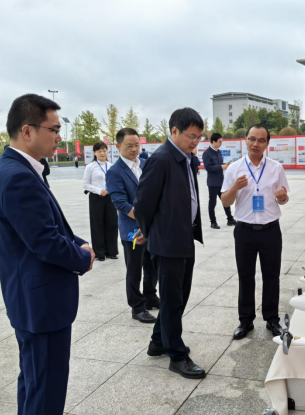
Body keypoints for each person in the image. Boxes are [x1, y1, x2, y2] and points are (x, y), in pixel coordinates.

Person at [0, 94, 95, 415]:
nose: (59, 137)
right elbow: (46, 242)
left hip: (33, 302)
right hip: (41, 307)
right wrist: (83, 258)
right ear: (27, 131)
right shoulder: (18, 176)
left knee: (35, 384)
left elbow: (46, 226)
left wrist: (78, 243)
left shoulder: (19, 168)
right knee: (45, 393)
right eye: (54, 129)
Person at [134, 108, 206, 379]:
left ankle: (158, 342)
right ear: (174, 131)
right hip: (168, 242)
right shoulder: (162, 159)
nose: (195, 142)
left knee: (179, 296)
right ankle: (177, 355)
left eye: (198, 137)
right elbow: (143, 202)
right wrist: (149, 231)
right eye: (191, 136)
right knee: (174, 300)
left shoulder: (186, 158)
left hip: (184, 237)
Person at [221, 124, 290, 341]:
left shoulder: (276, 168)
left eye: (261, 140)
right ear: (245, 140)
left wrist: (282, 198)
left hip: (270, 230)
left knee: (272, 275)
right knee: (245, 276)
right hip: (245, 231)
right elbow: (225, 201)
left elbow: (284, 198)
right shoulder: (235, 168)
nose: (255, 144)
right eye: (252, 139)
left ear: (267, 143)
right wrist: (235, 187)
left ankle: (272, 319)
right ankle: (245, 320)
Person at [106, 128, 158, 323]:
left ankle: (150, 296)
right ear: (118, 146)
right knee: (135, 269)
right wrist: (144, 221)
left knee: (152, 265)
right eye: (129, 146)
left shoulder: (145, 164)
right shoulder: (115, 172)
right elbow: (120, 203)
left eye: (137, 145)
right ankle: (137, 307)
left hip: (151, 227)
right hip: (132, 229)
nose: (134, 149)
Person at [83, 142, 119, 261]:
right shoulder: (90, 167)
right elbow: (86, 184)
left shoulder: (111, 166)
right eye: (99, 151)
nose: (102, 153)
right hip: (96, 197)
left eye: (104, 150)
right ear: (94, 153)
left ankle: (112, 251)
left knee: (112, 223)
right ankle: (100, 253)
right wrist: (99, 190)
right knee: (97, 224)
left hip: (110, 197)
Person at [202, 132, 236, 229]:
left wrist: (226, 165)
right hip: (213, 183)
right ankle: (213, 222)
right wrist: (221, 167)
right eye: (219, 141)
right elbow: (208, 168)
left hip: (221, 182)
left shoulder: (219, 152)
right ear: (213, 141)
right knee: (212, 203)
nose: (221, 143)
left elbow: (219, 164)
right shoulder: (206, 153)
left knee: (226, 201)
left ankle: (230, 219)